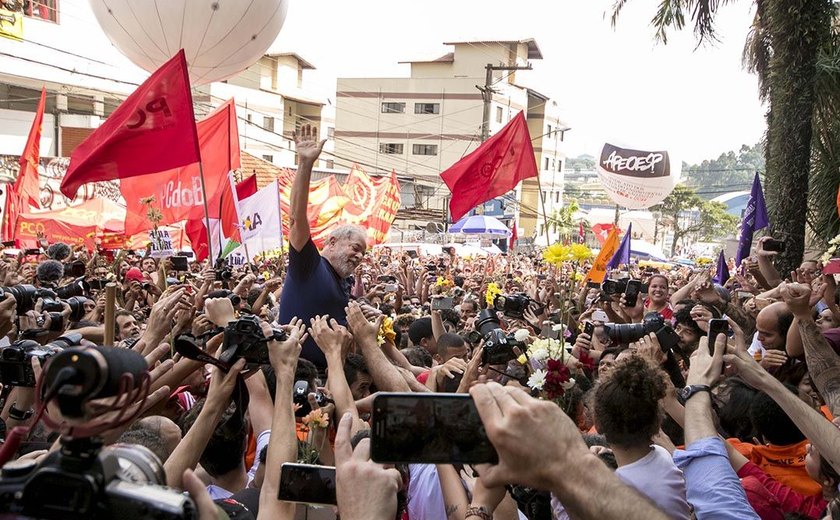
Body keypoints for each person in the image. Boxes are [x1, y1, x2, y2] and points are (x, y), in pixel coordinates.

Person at [278, 124, 367, 370]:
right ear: (332, 242)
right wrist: (305, 164)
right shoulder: (309, 265)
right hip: (293, 372)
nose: (359, 257)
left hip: (327, 375)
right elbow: (296, 219)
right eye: (355, 248)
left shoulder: (345, 282)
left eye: (363, 254)